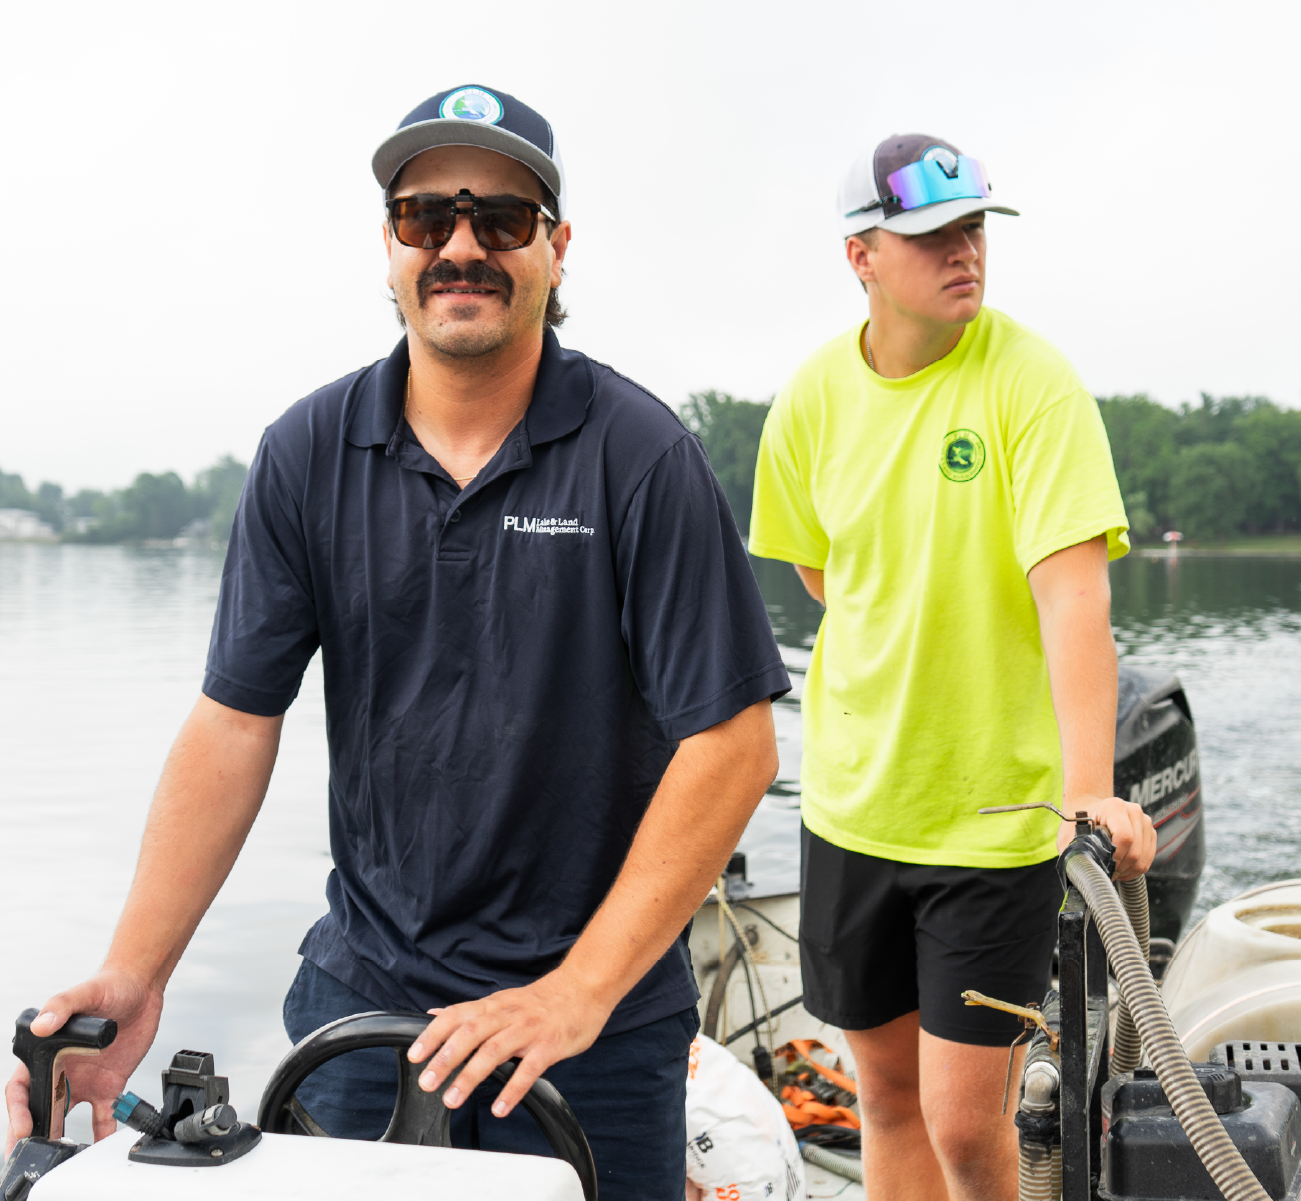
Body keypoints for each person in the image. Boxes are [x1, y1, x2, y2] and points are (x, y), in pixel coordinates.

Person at [4, 84, 791, 1201]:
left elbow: (732, 744)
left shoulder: (639, 457)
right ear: (388, 245)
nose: (460, 247)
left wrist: (575, 990)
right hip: (364, 1008)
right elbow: (234, 721)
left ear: (555, 250)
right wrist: (136, 970)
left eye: (501, 222)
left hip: (591, 1030)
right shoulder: (306, 453)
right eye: (427, 219)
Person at [748, 133, 1157, 1201]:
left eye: (971, 227)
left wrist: (1085, 790)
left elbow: (1074, 594)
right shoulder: (807, 399)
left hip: (991, 822)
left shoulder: (1032, 383)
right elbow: (817, 568)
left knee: (964, 1129)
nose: (961, 250)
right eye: (930, 234)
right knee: (883, 1101)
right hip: (851, 807)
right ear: (861, 257)